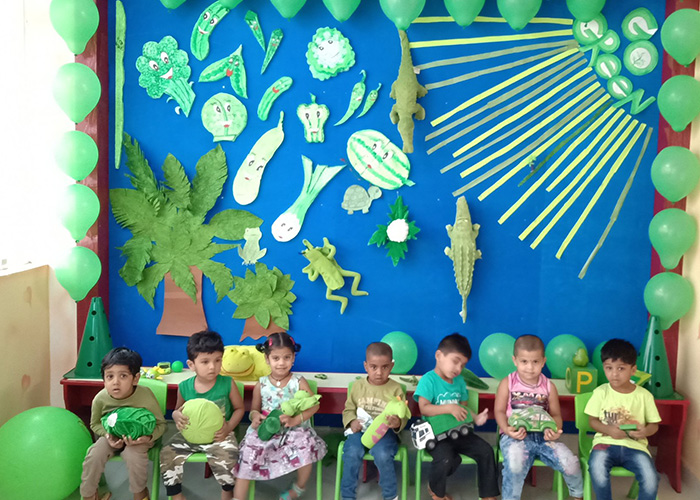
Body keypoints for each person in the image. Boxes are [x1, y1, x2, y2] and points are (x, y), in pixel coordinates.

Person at [233, 332, 327, 500]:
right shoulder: (261, 384)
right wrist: (255, 417)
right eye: (276, 358)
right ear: (267, 359)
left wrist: (295, 420)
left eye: (287, 357)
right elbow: (253, 410)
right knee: (248, 452)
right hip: (267, 429)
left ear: (293, 358)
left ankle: (299, 488)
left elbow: (315, 405)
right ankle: (238, 497)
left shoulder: (298, 382)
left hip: (293, 429)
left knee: (305, 445)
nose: (281, 363)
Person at [494, 334, 583, 500]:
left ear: (543, 361)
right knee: (514, 465)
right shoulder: (508, 383)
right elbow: (499, 411)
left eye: (535, 362)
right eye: (524, 361)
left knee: (571, 463)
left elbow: (556, 415)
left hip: (544, 437)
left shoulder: (549, 386)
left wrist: (555, 430)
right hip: (515, 437)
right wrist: (506, 429)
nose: (530, 367)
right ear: (515, 360)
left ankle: (577, 496)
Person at [160, 330, 245, 500]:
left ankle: (227, 491)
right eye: (205, 362)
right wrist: (176, 416)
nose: (212, 366)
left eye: (217, 360)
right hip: (189, 436)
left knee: (229, 456)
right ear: (191, 365)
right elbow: (177, 410)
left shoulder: (227, 383)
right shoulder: (184, 386)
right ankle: (177, 495)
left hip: (220, 436)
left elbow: (239, 409)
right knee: (167, 453)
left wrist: (228, 427)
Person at [414, 333, 499, 500]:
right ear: (439, 355)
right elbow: (424, 409)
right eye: (455, 361)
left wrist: (476, 418)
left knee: (486, 451)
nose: (458, 369)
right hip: (437, 436)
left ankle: (488, 494)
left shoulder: (459, 381)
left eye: (463, 365)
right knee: (447, 458)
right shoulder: (428, 380)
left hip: (460, 432)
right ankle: (436, 491)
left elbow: (462, 408)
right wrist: (449, 408)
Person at [81, 347, 166, 500]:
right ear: (104, 379)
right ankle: (89, 495)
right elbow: (95, 424)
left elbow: (161, 425)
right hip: (111, 436)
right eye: (110, 376)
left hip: (140, 439)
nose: (115, 382)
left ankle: (140, 494)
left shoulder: (145, 395)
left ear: (135, 378)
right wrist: (107, 435)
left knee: (133, 456)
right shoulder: (100, 398)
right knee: (94, 454)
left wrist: (148, 437)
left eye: (123, 376)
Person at [585, 338, 661, 500]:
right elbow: (592, 421)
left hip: (635, 446)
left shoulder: (644, 396)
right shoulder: (601, 392)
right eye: (609, 368)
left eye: (621, 368)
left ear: (633, 370)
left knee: (651, 478)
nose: (614, 374)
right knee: (597, 469)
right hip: (604, 444)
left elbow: (654, 425)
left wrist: (644, 431)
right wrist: (609, 430)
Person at [340, 342, 408, 500]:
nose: (379, 372)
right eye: (373, 367)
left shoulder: (396, 389)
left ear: (391, 366)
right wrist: (352, 421)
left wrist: (397, 423)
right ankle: (347, 496)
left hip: (384, 433)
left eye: (385, 367)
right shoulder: (358, 386)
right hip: (360, 430)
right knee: (352, 452)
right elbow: (348, 409)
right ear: (366, 366)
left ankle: (390, 496)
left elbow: (403, 415)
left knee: (382, 454)